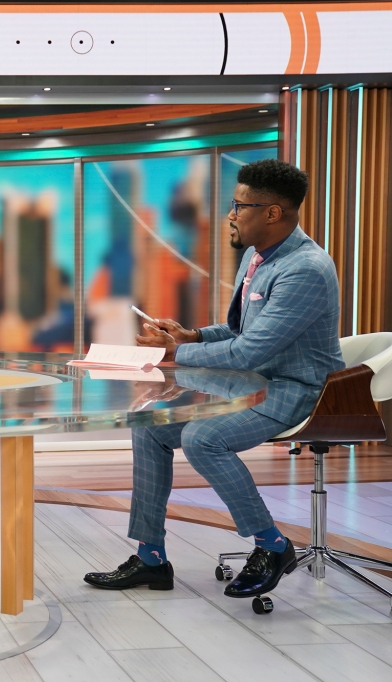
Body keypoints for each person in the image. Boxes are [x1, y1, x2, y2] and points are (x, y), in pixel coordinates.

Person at [84, 159, 343, 599]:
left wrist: (174, 351)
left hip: (298, 389)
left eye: (239, 205)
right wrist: (194, 335)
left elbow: (251, 352)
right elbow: (244, 332)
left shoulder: (306, 269)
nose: (231, 214)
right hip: (253, 382)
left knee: (205, 437)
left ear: (272, 213)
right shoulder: (255, 259)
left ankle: (272, 545)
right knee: (150, 428)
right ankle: (151, 559)